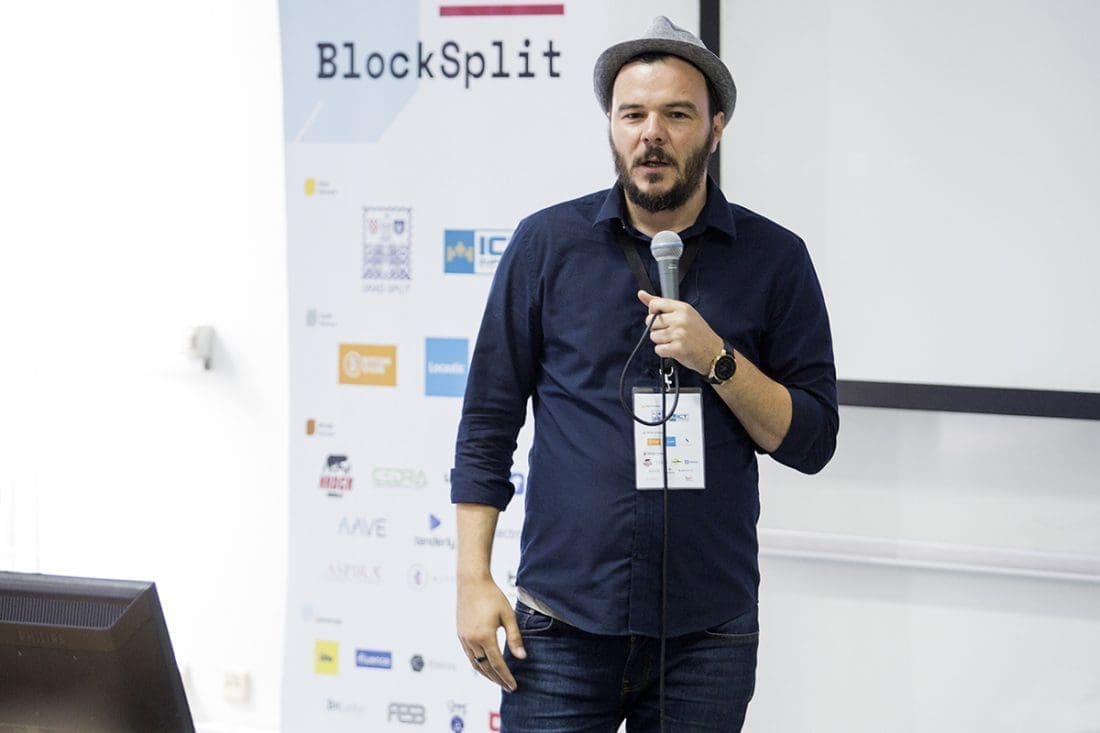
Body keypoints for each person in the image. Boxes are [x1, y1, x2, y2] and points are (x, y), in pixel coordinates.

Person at [451, 15, 838, 732]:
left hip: (707, 634)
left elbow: (811, 440)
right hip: (561, 623)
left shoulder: (775, 259)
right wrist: (472, 579)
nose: (651, 133)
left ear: (715, 130)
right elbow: (487, 423)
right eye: (633, 114)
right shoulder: (547, 245)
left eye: (676, 115)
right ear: (611, 126)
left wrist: (718, 359)